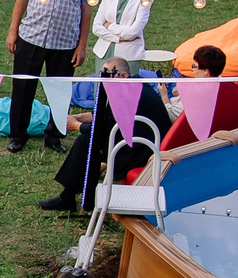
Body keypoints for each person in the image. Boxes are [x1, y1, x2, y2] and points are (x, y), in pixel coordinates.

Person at [0, 0, 97, 155]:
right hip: (32, 35)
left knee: (60, 92)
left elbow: (87, 8)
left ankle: (54, 136)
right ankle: (17, 136)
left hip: (65, 41)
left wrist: (82, 45)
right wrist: (13, 30)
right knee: (22, 87)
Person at [42, 60, 171, 212]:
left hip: (139, 151)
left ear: (123, 75)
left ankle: (70, 197)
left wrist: (77, 126)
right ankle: (72, 194)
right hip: (141, 143)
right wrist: (81, 117)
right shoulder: (134, 85)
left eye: (108, 74)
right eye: (102, 75)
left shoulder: (126, 94)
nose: (104, 79)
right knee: (89, 142)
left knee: (86, 142)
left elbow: (106, 129)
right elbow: (110, 117)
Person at [155, 44, 238, 158]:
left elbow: (172, 118)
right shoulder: (225, 86)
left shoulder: (195, 95)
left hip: (188, 141)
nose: (193, 70)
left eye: (194, 66)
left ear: (205, 71)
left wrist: (164, 96)